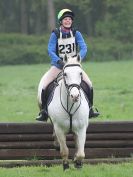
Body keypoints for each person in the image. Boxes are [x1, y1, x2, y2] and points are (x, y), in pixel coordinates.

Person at [36, 8, 99, 121]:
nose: (68, 21)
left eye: (69, 19)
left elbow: (84, 47)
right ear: (61, 21)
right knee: (44, 86)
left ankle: (90, 109)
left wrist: (78, 58)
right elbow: (50, 50)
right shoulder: (55, 34)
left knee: (89, 84)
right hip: (58, 66)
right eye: (65, 19)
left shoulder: (76, 33)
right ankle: (44, 111)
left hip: (73, 66)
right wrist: (58, 61)